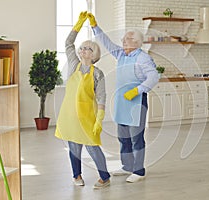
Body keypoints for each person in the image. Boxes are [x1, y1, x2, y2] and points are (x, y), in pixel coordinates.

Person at [87, 13, 159, 183]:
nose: (123, 41)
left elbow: (154, 77)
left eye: (126, 39)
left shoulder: (143, 57)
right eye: (123, 39)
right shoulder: (121, 54)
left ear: (136, 42)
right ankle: (127, 166)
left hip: (136, 103)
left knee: (136, 138)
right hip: (121, 102)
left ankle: (139, 170)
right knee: (123, 137)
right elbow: (106, 43)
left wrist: (138, 90)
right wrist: (95, 27)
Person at [55, 11, 110, 189]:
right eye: (83, 47)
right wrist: (79, 24)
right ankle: (76, 175)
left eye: (88, 48)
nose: (83, 50)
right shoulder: (73, 63)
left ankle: (105, 177)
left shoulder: (98, 74)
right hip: (69, 115)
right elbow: (68, 43)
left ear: (94, 55)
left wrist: (100, 118)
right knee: (73, 146)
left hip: (87, 116)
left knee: (93, 147)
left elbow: (101, 96)